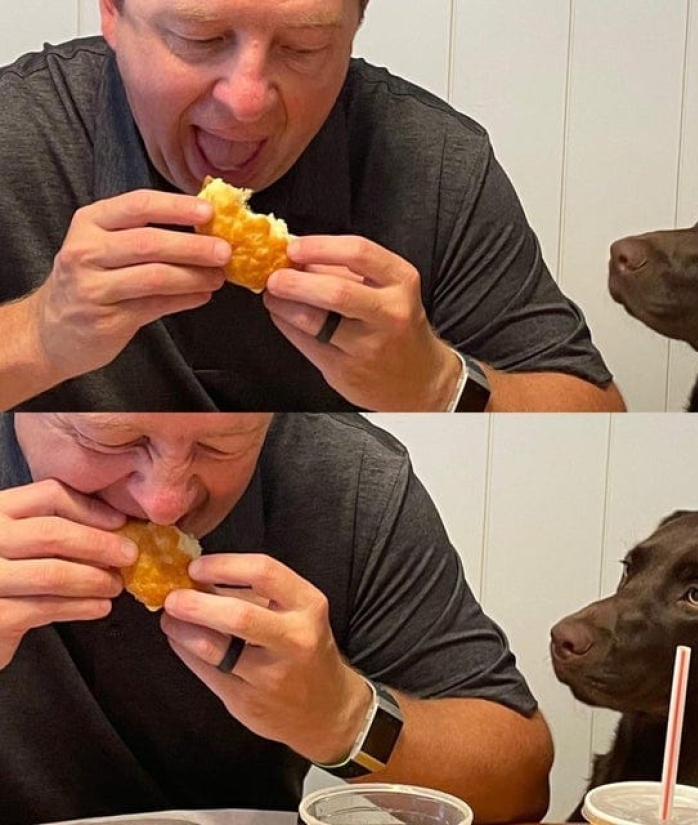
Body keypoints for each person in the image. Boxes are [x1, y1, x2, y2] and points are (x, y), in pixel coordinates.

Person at [0, 0, 625, 413]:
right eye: (200, 38)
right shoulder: (16, 128)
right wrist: (39, 335)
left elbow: (596, 408)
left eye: (302, 48)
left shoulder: (434, 163)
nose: (247, 100)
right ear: (113, 11)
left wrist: (436, 384)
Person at [0, 412, 554, 824]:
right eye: (110, 437)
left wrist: (343, 716)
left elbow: (521, 785)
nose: (164, 504)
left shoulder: (342, 480)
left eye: (220, 445)